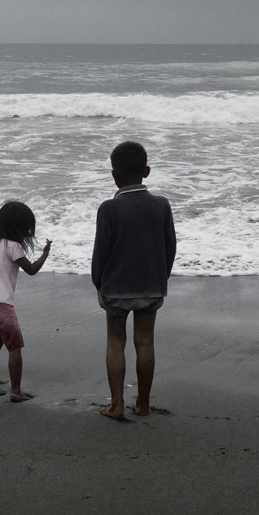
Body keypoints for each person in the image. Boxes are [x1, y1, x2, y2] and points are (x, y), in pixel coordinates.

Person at [91, 141, 177, 419]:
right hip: (150, 285)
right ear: (147, 171)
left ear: (114, 175)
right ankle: (142, 404)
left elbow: (100, 252)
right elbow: (170, 247)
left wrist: (99, 284)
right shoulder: (162, 205)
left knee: (116, 342)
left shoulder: (108, 209)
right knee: (145, 343)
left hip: (116, 287)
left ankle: (116, 404)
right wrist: (160, 278)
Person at [0, 201, 51, 402]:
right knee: (15, 347)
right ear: (19, 227)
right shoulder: (13, 246)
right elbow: (31, 270)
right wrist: (45, 254)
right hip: (1, 304)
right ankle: (16, 390)